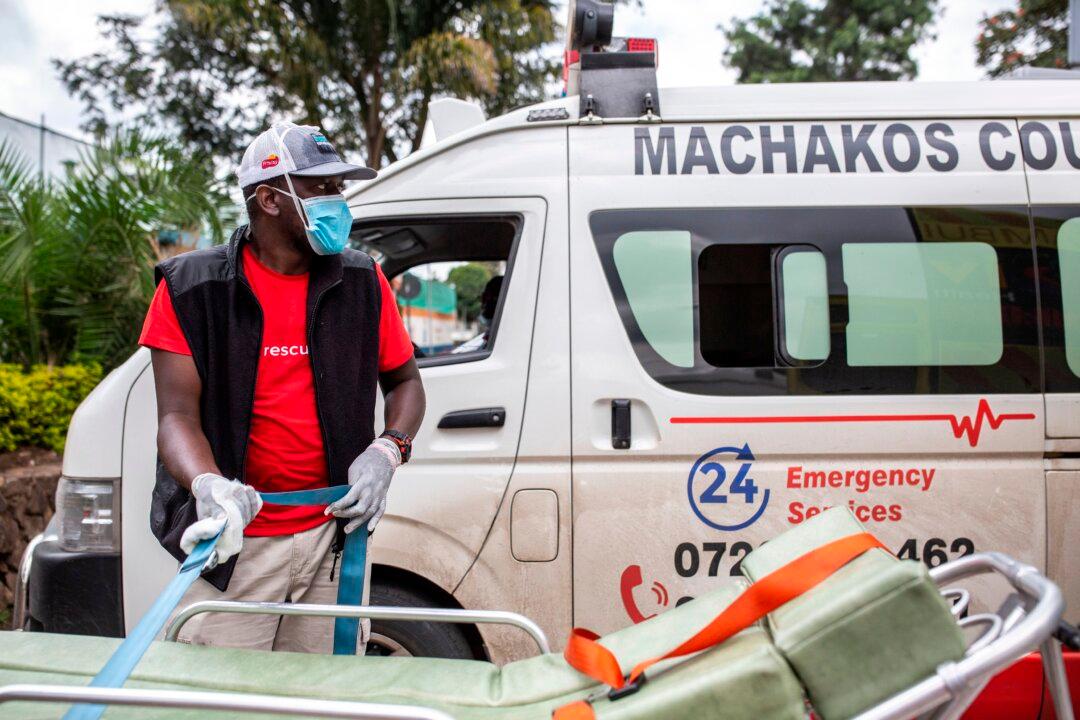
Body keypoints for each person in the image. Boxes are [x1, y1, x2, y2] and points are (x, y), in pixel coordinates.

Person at [138, 121, 425, 654]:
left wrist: (389, 450)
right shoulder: (191, 289)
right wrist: (208, 487)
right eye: (321, 189)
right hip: (234, 544)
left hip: (333, 542)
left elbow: (406, 382)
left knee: (323, 699)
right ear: (270, 199)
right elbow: (175, 415)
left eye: (340, 187)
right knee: (221, 701)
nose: (338, 201)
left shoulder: (363, 282)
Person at [452, 275, 503, 354]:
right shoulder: (488, 339)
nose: (482, 304)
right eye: (482, 299)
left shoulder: (500, 342)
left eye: (485, 298)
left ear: (499, 300)